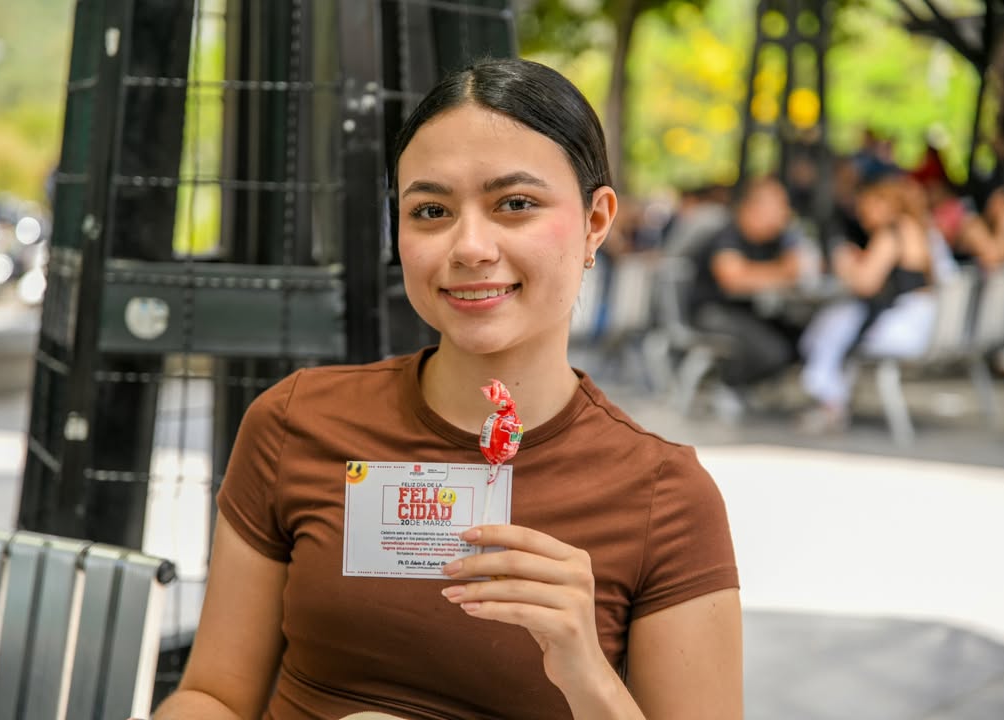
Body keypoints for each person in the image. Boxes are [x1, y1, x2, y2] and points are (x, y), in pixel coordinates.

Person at [151, 58, 741, 720]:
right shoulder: (294, 421)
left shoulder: (665, 495)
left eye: (514, 204)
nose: (470, 246)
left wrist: (587, 673)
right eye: (430, 210)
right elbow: (211, 697)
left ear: (596, 222)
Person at [797, 174, 954, 432]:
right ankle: (833, 398)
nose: (861, 213)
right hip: (924, 323)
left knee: (831, 325)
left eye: (866, 205)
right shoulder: (920, 228)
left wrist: (844, 262)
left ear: (885, 204)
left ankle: (830, 403)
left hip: (902, 328)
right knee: (838, 321)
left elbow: (865, 284)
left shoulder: (893, 232)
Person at [687, 176, 807, 400]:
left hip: (747, 312)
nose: (785, 212)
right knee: (772, 351)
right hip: (713, 313)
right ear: (754, 207)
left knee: (799, 338)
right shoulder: (728, 234)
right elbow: (733, 279)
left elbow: (795, 269)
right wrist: (779, 272)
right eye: (779, 206)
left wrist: (790, 242)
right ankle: (724, 387)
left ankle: (744, 391)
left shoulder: (775, 239)